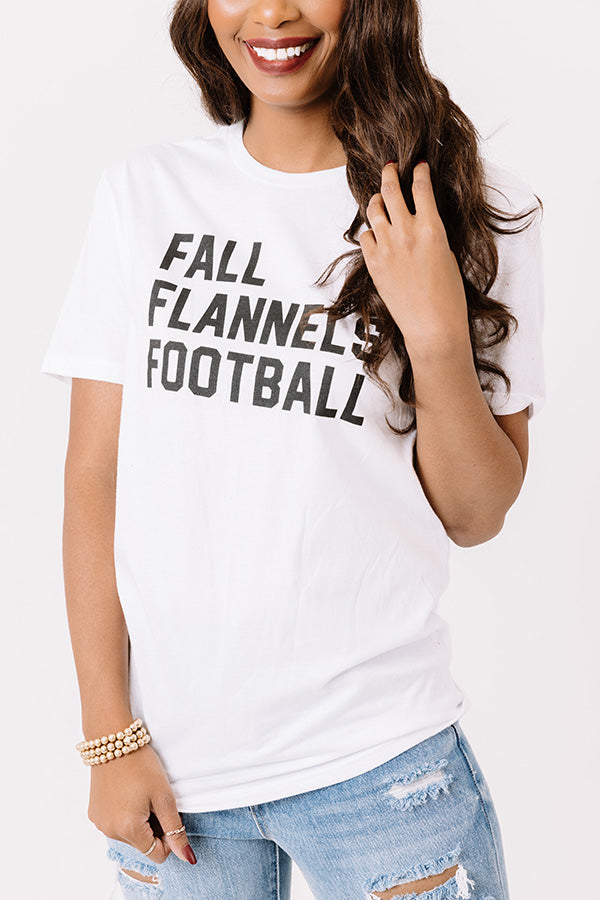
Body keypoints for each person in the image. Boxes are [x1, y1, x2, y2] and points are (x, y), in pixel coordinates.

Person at [40, 1, 546, 898]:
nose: (272, 12)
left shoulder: (466, 207)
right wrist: (109, 736)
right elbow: (95, 478)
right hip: (174, 780)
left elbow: (476, 514)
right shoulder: (144, 195)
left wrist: (434, 334)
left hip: (382, 767)